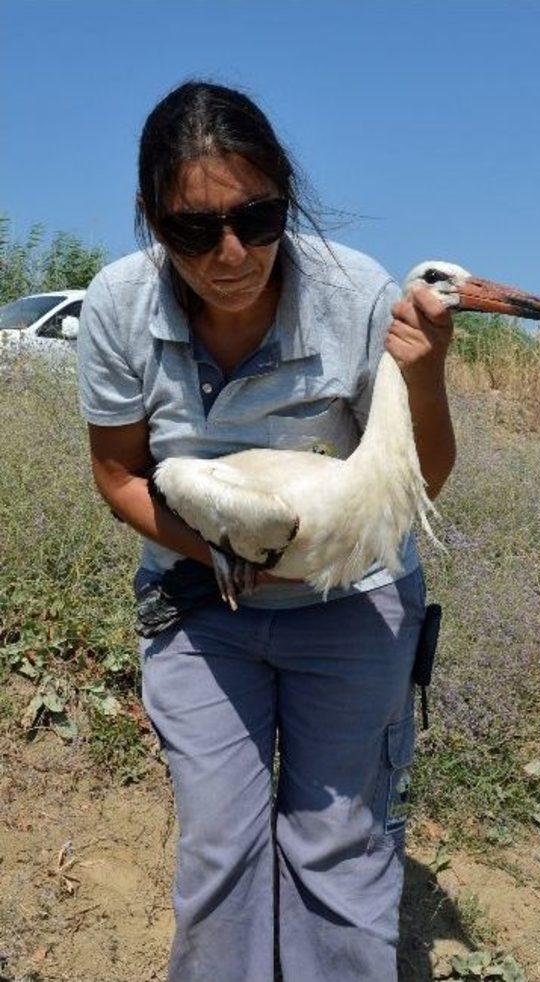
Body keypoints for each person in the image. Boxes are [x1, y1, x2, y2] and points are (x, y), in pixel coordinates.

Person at [76, 80, 456, 982]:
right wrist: (223, 551)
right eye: (192, 230)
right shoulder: (120, 307)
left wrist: (429, 379)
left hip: (353, 605)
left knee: (339, 847)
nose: (232, 253)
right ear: (150, 218)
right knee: (221, 853)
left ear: (286, 194)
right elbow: (118, 473)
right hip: (203, 605)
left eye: (258, 216)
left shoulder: (353, 293)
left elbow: (417, 481)